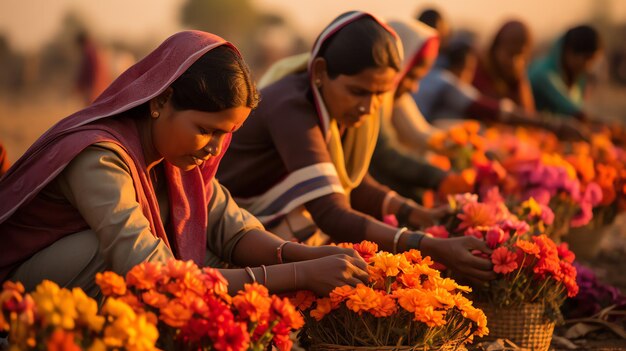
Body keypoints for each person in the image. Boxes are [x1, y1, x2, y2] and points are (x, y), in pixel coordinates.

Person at [0, 31, 369, 299]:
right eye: (206, 130)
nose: (214, 148)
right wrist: (299, 274)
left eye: (225, 134)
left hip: (94, 270)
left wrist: (308, 254)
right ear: (161, 101)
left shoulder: (177, 158)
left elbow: (233, 230)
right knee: (116, 257)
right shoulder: (98, 156)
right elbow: (150, 269)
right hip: (20, 284)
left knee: (205, 244)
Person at [217, 12, 495, 283]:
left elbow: (353, 183)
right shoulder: (291, 107)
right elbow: (331, 213)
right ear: (320, 72)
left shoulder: (339, 106)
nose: (369, 107)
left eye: (379, 94)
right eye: (358, 92)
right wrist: (427, 244)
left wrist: (415, 213)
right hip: (232, 233)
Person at [416, 35, 589, 140]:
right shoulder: (445, 81)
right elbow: (492, 109)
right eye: (469, 69)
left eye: (521, 55)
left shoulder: (439, 79)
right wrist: (553, 124)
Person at [369, 19, 448, 199]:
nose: (414, 88)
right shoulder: (376, 98)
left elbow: (421, 135)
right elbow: (387, 154)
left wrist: (460, 145)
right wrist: (441, 178)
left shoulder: (396, 98)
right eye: (411, 77)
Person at [529, 25, 602, 121]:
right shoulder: (542, 74)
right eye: (586, 58)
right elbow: (573, 110)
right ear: (568, 52)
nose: (588, 66)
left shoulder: (576, 79)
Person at [472, 20, 536, 114]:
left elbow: (527, 114)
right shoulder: (476, 70)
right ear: (496, 48)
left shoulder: (517, 79)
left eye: (520, 55)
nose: (514, 62)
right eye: (510, 54)